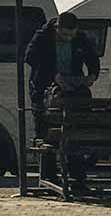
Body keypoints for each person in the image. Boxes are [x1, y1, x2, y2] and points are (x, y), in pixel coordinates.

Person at [25, 11, 101, 185]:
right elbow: (30, 57)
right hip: (45, 90)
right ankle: (48, 177)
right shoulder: (43, 36)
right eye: (64, 35)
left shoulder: (80, 38)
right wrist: (53, 74)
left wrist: (92, 75)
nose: (68, 38)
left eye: (71, 34)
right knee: (47, 133)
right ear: (57, 27)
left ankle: (76, 175)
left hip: (71, 90)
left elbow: (92, 59)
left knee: (74, 132)